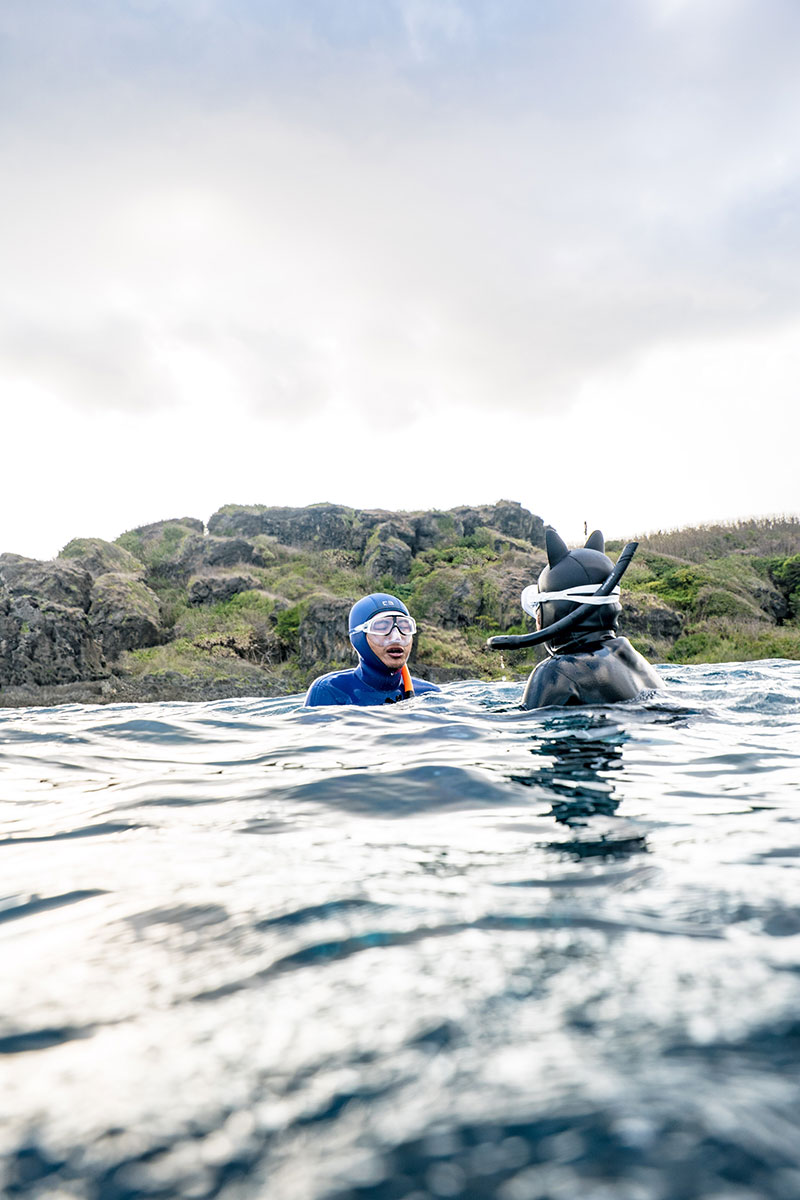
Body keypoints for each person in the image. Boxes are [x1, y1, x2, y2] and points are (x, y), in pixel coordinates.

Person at [490, 527, 663, 708]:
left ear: (554, 612)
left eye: (538, 610)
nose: (537, 619)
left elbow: (523, 729)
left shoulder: (557, 671)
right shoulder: (629, 655)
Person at [304, 592, 440, 707]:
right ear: (358, 637)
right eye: (381, 627)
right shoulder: (330, 691)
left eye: (405, 627)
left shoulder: (430, 694)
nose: (396, 637)